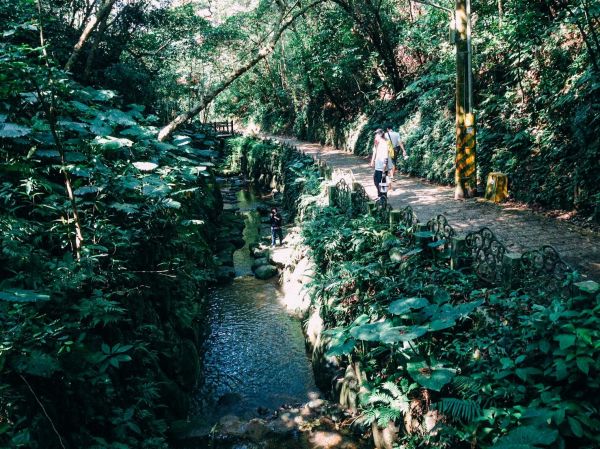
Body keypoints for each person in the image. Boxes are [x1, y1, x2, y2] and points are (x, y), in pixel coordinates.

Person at [370, 129, 393, 198]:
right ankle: (381, 196)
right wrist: (372, 161)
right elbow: (375, 152)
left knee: (381, 182)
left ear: (380, 135)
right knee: (377, 180)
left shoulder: (384, 143)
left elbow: (386, 156)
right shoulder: (377, 143)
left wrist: (384, 166)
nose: (375, 136)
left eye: (376, 134)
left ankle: (382, 196)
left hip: (382, 167)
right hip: (378, 166)